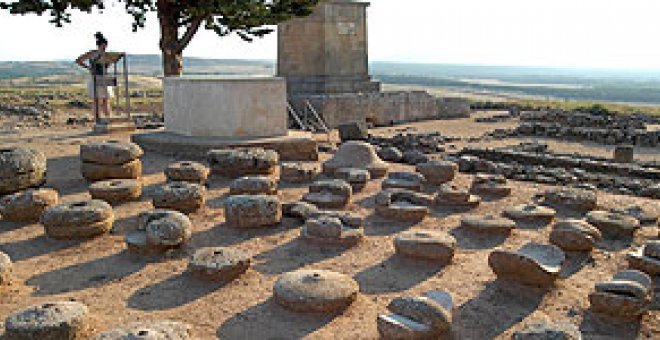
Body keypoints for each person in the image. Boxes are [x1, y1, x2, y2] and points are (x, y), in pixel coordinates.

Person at [76, 32, 113, 118]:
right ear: (99, 45)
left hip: (104, 77)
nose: (104, 48)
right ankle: (97, 118)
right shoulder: (93, 53)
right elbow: (79, 60)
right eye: (103, 46)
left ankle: (108, 117)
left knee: (106, 99)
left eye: (105, 46)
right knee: (96, 99)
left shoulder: (107, 54)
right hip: (95, 77)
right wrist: (89, 68)